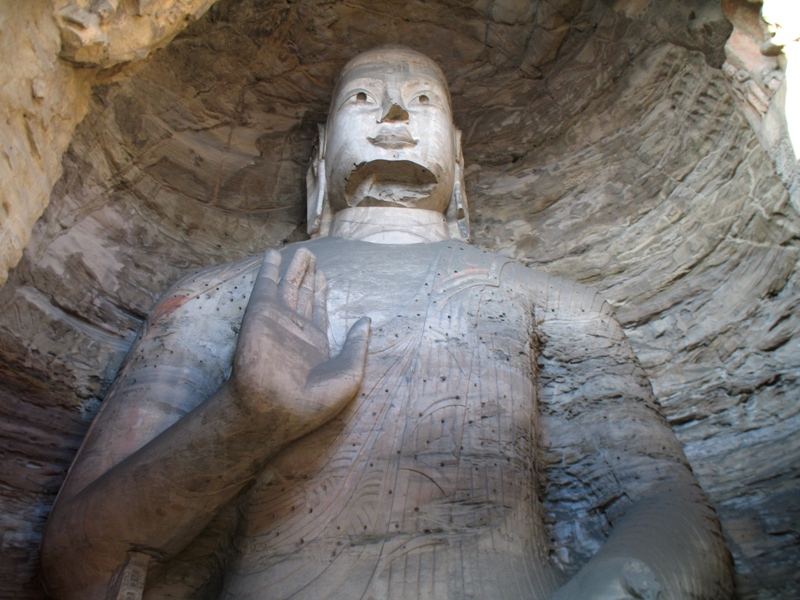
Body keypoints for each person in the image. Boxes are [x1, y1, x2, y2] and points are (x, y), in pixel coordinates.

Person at [41, 46, 733, 600]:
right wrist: (247, 420)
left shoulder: (548, 300)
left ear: (459, 158)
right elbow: (79, 566)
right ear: (319, 156)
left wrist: (625, 580)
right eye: (363, 99)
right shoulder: (222, 294)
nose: (395, 116)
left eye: (423, 100)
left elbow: (665, 504)